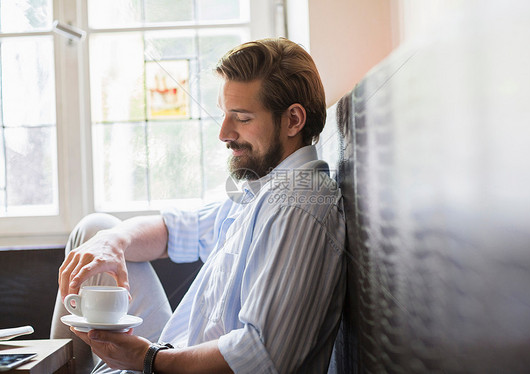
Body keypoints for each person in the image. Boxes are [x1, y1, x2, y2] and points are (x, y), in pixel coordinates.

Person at [51, 37, 346, 374]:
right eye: (224, 115)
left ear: (293, 120)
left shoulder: (298, 209)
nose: (224, 133)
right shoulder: (260, 191)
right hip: (173, 354)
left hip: (170, 364)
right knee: (97, 230)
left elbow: (262, 357)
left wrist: (147, 358)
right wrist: (113, 243)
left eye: (242, 118)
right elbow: (173, 229)